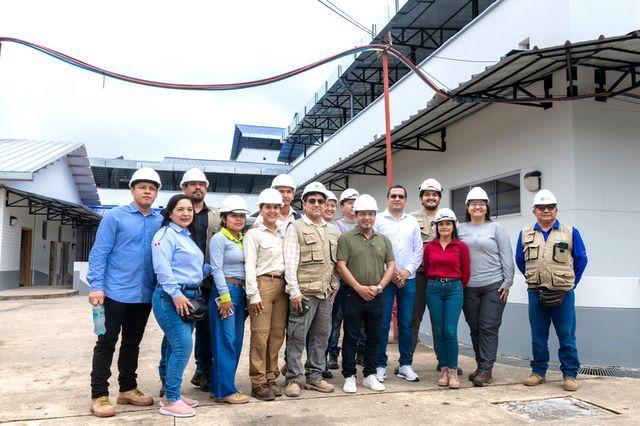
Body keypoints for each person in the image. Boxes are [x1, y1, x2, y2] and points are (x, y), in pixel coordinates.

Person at [87, 167, 162, 417]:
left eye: (152, 188)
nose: (147, 192)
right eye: (142, 187)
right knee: (106, 342)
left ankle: (127, 389)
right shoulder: (115, 217)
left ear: (156, 193)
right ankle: (99, 395)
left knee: (132, 343)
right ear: (132, 190)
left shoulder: (159, 220)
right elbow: (100, 252)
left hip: (143, 295)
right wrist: (96, 286)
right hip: (114, 292)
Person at [515, 189, 587, 392]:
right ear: (534, 211)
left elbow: (581, 259)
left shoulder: (570, 232)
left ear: (556, 210)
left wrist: (572, 282)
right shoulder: (525, 233)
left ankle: (570, 375)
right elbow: (520, 260)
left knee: (567, 336)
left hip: (563, 294)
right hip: (535, 292)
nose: (546, 210)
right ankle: (538, 372)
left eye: (550, 207)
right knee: (538, 336)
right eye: (541, 207)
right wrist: (535, 277)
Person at [158, 168, 220, 396]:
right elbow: (163, 263)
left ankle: (202, 371)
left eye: (201, 184)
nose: (198, 187)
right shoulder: (170, 227)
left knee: (205, 330)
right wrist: (173, 292)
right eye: (192, 184)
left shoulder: (215, 215)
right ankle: (167, 380)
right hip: (177, 287)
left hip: (204, 283)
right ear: (183, 188)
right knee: (175, 336)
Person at [151, 194, 209, 417]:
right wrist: (176, 295)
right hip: (171, 298)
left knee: (171, 346)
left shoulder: (186, 236)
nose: (186, 213)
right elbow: (162, 268)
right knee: (183, 346)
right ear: (170, 213)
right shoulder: (165, 235)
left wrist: (214, 268)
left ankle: (170, 393)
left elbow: (193, 267)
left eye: (189, 210)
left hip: (190, 297)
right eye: (180, 209)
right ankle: (171, 400)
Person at [283, 182, 339, 398]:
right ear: (304, 203)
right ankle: (294, 378)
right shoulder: (295, 227)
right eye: (312, 201)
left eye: (320, 201)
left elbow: (334, 263)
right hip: (304, 294)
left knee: (321, 337)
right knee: (297, 336)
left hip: (325, 294)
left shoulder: (331, 230)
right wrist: (294, 291)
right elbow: (290, 262)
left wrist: (335, 286)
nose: (317, 204)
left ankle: (315, 376)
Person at [337, 194, 396, 393]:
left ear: (375, 216)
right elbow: (341, 266)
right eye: (363, 214)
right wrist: (358, 287)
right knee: (351, 337)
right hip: (352, 295)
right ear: (356, 216)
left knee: (374, 337)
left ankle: (370, 375)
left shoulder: (383, 240)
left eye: (371, 214)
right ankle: (349, 376)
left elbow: (391, 265)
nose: (367, 218)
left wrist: (379, 287)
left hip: (376, 295)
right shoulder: (346, 238)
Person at [458, 187, 514, 387]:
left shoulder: (496, 228)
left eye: (481, 204)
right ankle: (480, 366)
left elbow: (506, 255)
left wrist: (508, 282)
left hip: (494, 285)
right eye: (473, 204)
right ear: (467, 207)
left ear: (487, 207)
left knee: (488, 327)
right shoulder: (460, 229)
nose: (478, 207)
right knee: (475, 328)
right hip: (468, 287)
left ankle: (487, 370)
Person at [409, 178, 461, 375]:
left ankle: (444, 361)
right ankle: (406, 361)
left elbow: (458, 245)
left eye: (434, 194)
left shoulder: (449, 217)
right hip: (418, 275)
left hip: (441, 278)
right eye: (427, 194)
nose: (431, 197)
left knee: (440, 322)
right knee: (413, 319)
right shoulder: (411, 219)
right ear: (421, 197)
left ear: (439, 197)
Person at [373, 185, 422, 383]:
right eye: (393, 196)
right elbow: (375, 248)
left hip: (408, 279)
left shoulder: (412, 221)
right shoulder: (378, 220)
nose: (397, 199)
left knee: (406, 322)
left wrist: (406, 271)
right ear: (387, 199)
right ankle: (379, 365)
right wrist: (391, 272)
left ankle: (405, 364)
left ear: (406, 201)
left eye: (401, 196)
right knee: (382, 322)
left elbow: (418, 250)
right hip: (385, 279)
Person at [244, 189, 288, 401]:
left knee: (277, 335)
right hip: (263, 284)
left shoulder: (283, 232)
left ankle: (271, 377)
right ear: (260, 209)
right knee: (260, 335)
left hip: (282, 285)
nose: (272, 210)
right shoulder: (254, 233)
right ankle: (258, 382)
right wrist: (253, 294)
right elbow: (249, 264)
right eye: (268, 207)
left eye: (276, 207)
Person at [208, 195, 251, 404]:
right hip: (226, 292)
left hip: (240, 292)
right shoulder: (220, 238)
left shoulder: (243, 239)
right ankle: (225, 391)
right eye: (234, 215)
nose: (239, 219)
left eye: (242, 216)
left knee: (235, 340)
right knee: (225, 340)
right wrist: (224, 297)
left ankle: (219, 385)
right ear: (224, 218)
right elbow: (216, 269)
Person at [423, 208, 470, 389]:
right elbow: (427, 268)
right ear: (436, 227)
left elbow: (466, 272)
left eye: (447, 223)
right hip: (433, 289)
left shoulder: (461, 246)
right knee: (439, 331)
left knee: (450, 331)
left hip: (454, 289)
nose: (444, 227)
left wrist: (456, 287)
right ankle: (443, 369)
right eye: (441, 224)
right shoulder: (430, 247)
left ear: (453, 226)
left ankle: (452, 370)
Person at [327, 188, 366, 371]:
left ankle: (361, 352)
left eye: (355, 203)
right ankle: (333, 354)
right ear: (342, 206)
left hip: (361, 281)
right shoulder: (335, 227)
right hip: (341, 282)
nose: (353, 206)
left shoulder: (365, 226)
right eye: (349, 203)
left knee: (360, 321)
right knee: (336, 319)